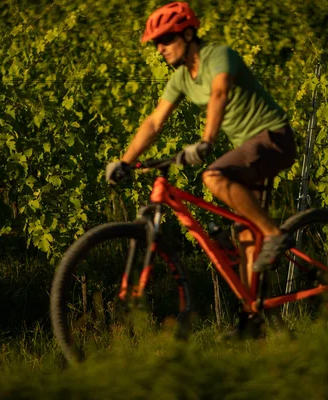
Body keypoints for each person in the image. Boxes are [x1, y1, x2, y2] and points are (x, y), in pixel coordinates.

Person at [105, 2, 297, 337]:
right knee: (243, 235)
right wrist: (125, 160)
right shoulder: (180, 79)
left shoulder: (218, 56)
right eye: (156, 43)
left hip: (274, 137)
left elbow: (219, 92)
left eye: (166, 39)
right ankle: (254, 320)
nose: (160, 48)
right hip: (249, 150)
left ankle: (276, 234)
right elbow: (154, 122)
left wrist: (207, 141)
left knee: (213, 176)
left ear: (189, 34)